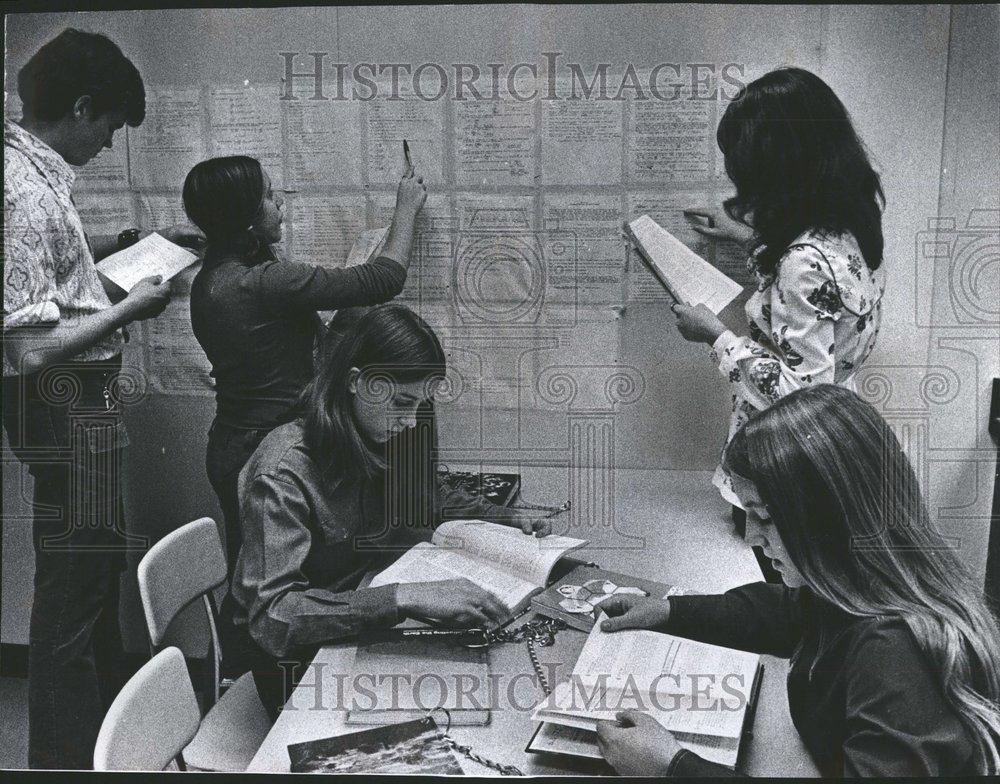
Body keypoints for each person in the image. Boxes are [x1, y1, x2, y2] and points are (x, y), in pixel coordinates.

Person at [594, 385, 1000, 777]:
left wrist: (673, 767)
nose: (751, 535)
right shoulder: (855, 588)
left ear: (832, 518)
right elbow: (783, 611)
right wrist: (670, 609)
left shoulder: (894, 650)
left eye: (765, 516)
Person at [2, 29, 201, 769]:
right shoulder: (20, 189)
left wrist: (132, 244)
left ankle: (102, 745)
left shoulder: (34, 176)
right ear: (82, 107)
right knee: (74, 597)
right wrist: (129, 310)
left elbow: (53, 269)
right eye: (110, 127)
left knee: (92, 574)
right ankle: (63, 763)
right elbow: (23, 350)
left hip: (79, 400)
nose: (109, 144)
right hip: (65, 399)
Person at [229, 303, 552, 717]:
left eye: (419, 404)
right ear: (357, 384)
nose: (412, 420)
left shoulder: (376, 429)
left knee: (485, 685)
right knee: (455, 708)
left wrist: (507, 517)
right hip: (295, 661)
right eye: (402, 402)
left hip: (360, 619)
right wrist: (401, 598)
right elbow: (273, 617)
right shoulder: (282, 472)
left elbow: (427, 494)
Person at [676, 68, 887, 580]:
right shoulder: (850, 226)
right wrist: (746, 238)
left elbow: (799, 394)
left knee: (789, 592)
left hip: (791, 460)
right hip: (833, 448)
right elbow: (816, 305)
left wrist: (716, 336)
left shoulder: (802, 262)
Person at [184, 155, 426, 585]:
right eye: (269, 197)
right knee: (268, 585)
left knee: (256, 572)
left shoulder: (212, 280)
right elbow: (386, 278)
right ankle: (253, 654)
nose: (281, 205)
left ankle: (247, 651)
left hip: (234, 443)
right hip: (266, 452)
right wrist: (406, 207)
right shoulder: (264, 282)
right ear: (246, 217)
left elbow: (281, 349)